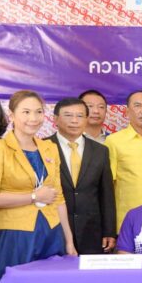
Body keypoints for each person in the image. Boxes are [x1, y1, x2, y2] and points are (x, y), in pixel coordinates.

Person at [0, 91, 77, 280]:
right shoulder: (1, 148)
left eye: (38, 112)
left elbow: (58, 198)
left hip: (51, 231)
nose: (33, 118)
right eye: (26, 112)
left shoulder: (50, 148)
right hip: (15, 233)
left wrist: (69, 240)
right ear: (12, 115)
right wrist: (33, 197)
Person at [47, 98, 116, 254]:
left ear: (86, 119)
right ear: (55, 119)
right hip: (54, 229)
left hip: (92, 231)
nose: (74, 121)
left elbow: (106, 194)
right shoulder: (43, 147)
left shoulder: (100, 151)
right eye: (68, 115)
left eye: (79, 116)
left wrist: (109, 231)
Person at [105, 90, 142, 229]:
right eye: (137, 105)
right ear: (127, 112)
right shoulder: (113, 141)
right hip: (127, 220)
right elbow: (107, 186)